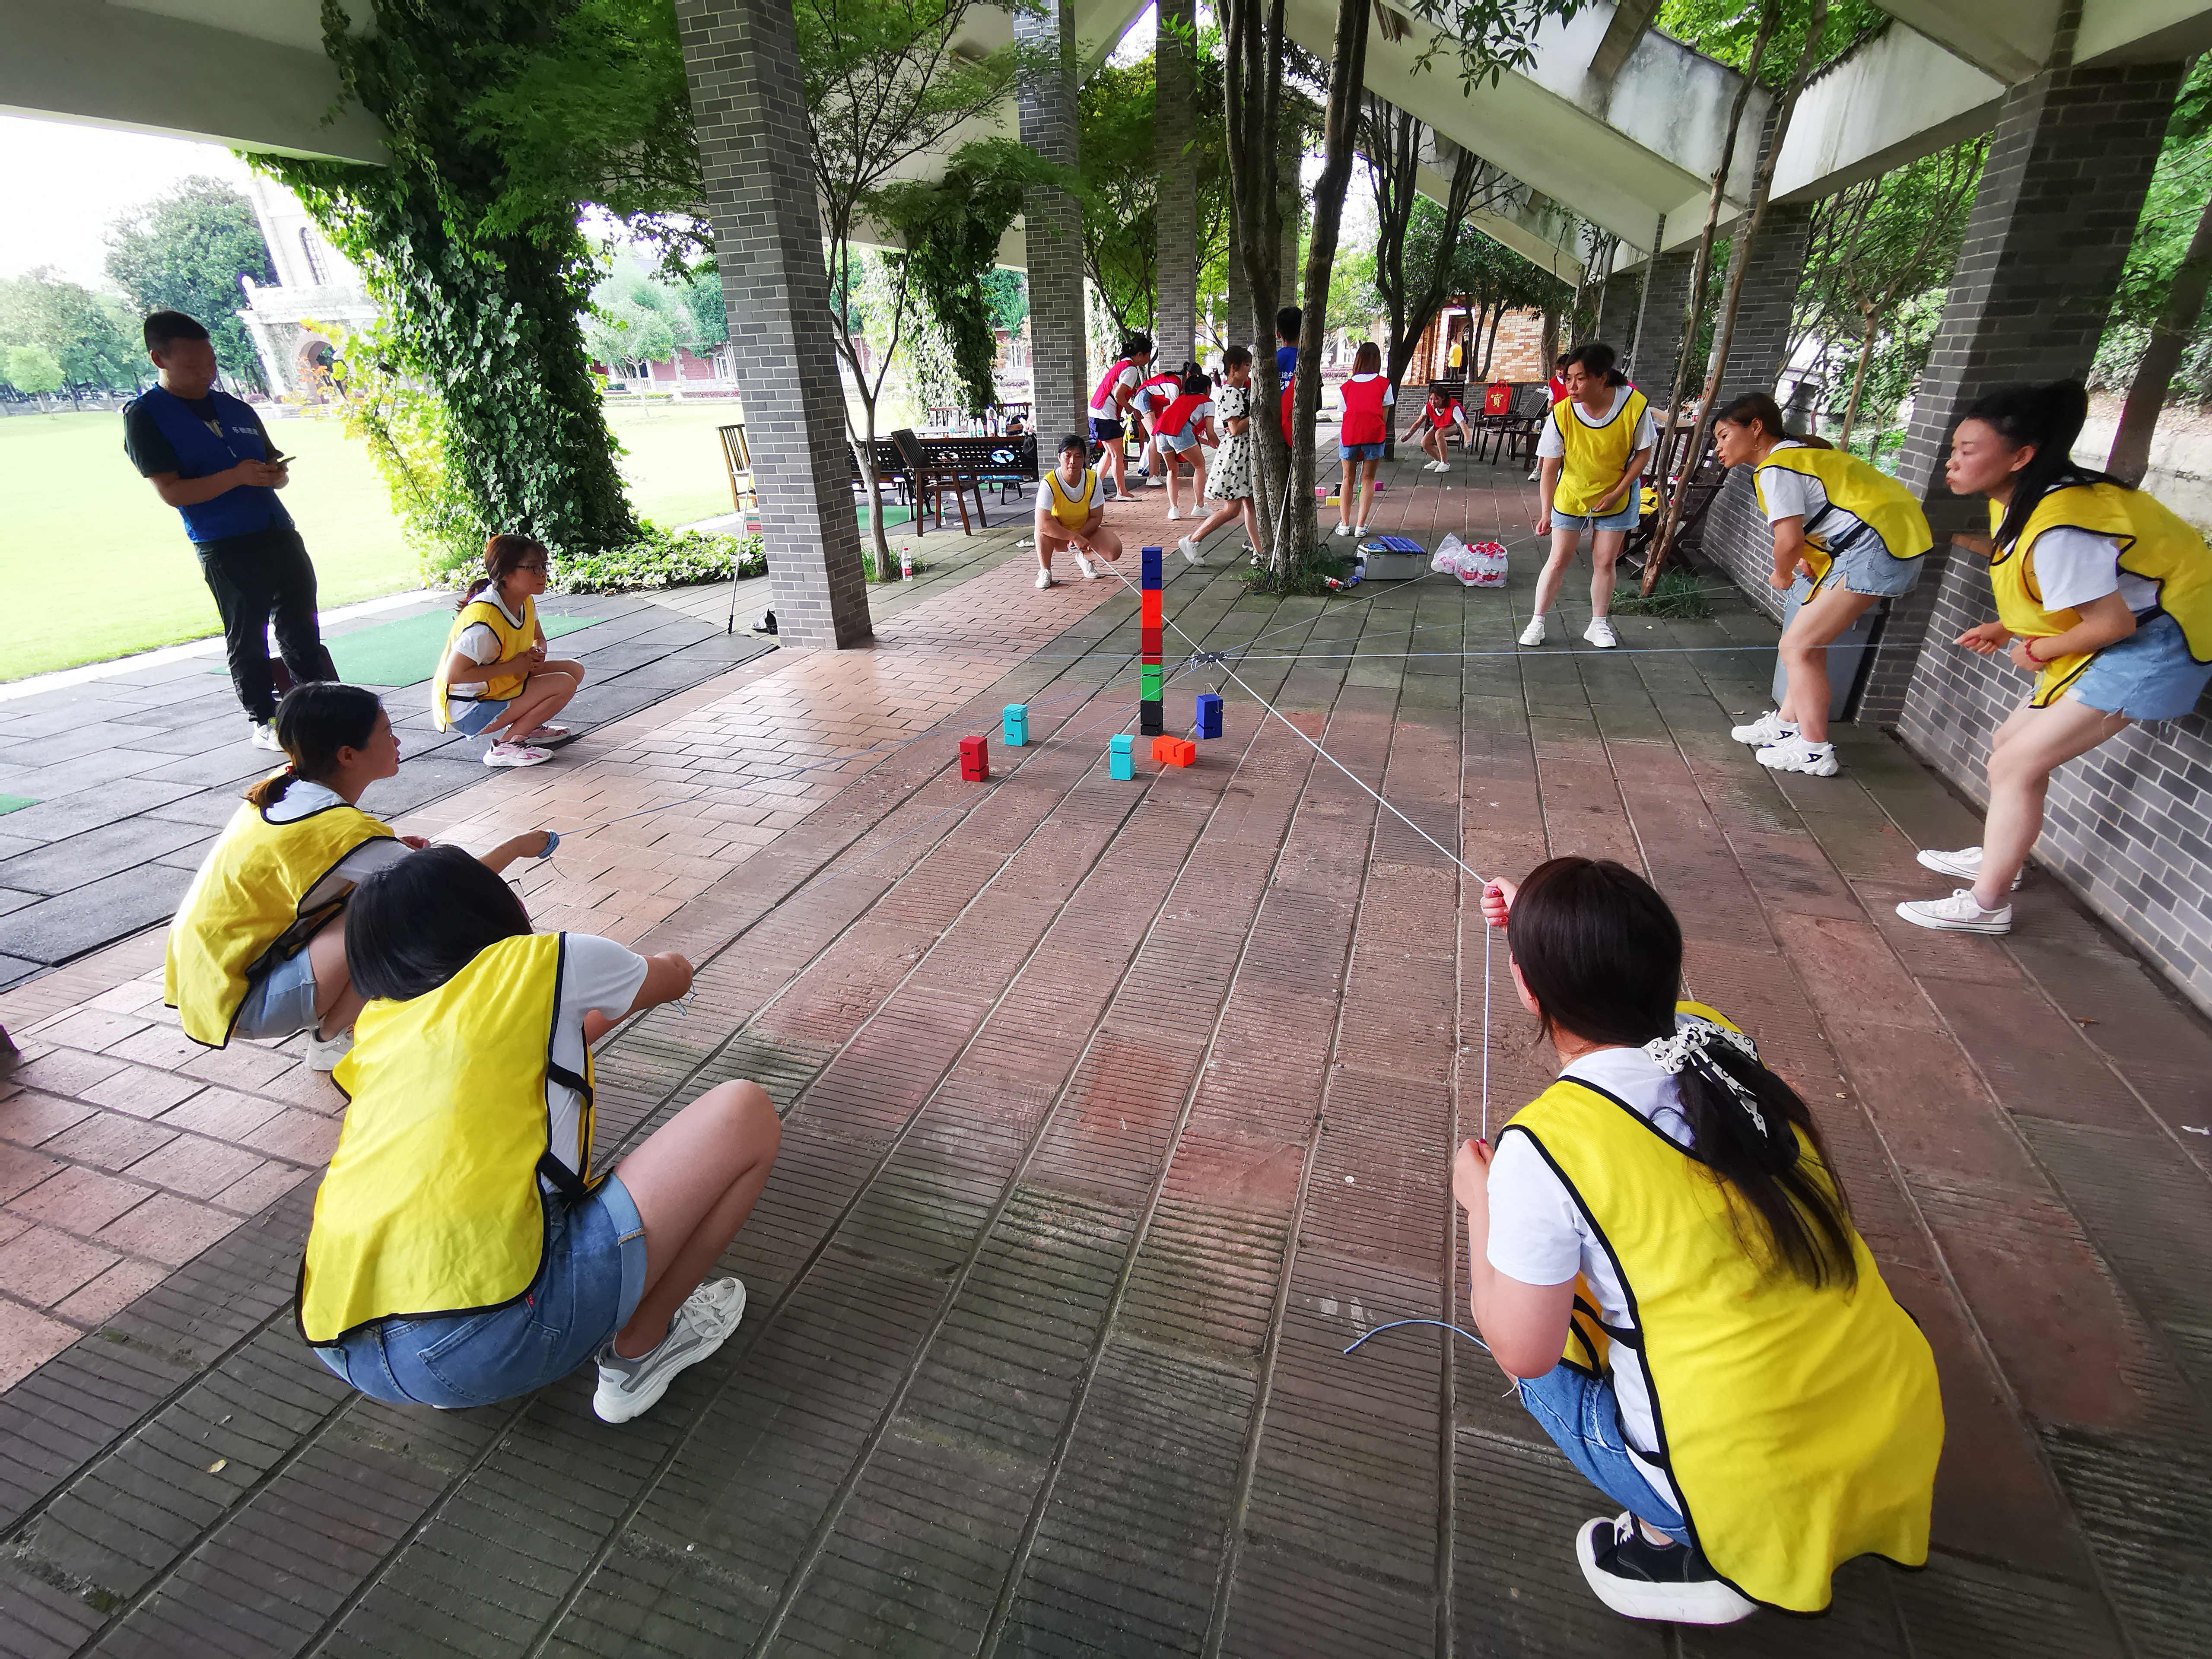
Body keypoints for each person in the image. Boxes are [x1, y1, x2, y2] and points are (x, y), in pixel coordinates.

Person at [1459, 857, 1942, 1624]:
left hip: (1736, 1481)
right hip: (1895, 1415)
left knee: (1536, 1349)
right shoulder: (1716, 1037)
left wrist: (1478, 1205)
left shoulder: (1547, 1145)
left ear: (1527, 988)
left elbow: (1524, 1351)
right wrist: (1547, 922)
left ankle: (1670, 1540)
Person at [297, 846, 782, 1421]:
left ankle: (454, 1374)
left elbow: (530, 1052)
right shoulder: (542, 961)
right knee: (744, 1113)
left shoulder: (381, 1025)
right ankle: (642, 1352)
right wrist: (670, 967)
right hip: (485, 1344)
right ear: (486, 906)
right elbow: (671, 976)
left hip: (348, 1347)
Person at [1898, 380, 2212, 935]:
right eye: (1953, 449)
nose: (1951, 461)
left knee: (2016, 764)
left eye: (1967, 450)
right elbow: (2067, 591)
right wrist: (2005, 627)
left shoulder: (2061, 523)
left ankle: (1987, 904)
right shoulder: (2022, 500)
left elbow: (2110, 623)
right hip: (2128, 632)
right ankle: (2002, 858)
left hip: (2159, 643)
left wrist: (2039, 648)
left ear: (2020, 456)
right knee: (2009, 745)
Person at [163, 683, 552, 1070]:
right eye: (386, 731)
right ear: (348, 755)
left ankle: (334, 1015)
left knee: (387, 892)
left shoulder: (286, 788)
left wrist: (393, 854)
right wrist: (517, 846)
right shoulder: (340, 830)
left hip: (210, 982)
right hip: (246, 998)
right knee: (402, 913)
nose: (397, 741)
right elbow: (454, 884)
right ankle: (333, 1038)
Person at [124, 311, 336, 749]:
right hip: (224, 541)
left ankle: (318, 706)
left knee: (301, 624)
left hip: (276, 528)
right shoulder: (146, 415)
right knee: (248, 633)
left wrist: (276, 476)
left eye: (211, 362)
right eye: (192, 365)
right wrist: (236, 477)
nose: (206, 373)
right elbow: (171, 492)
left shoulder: (236, 408)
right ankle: (264, 719)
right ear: (159, 359)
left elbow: (272, 466)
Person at [1711, 394, 1932, 778]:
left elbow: (1789, 540)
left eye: (1724, 436)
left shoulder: (1776, 467)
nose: (1718, 447)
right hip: (1875, 541)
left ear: (1756, 428)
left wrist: (1782, 573)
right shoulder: (1797, 455)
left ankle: (1814, 750)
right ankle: (1787, 724)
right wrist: (1807, 559)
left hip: (1874, 546)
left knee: (1798, 646)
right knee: (1806, 644)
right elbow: (1824, 517)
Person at [1527, 342, 1656, 650]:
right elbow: (1549, 468)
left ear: (1602, 377)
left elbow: (1643, 453)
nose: (1571, 386)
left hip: (1617, 495)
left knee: (1605, 561)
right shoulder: (1561, 413)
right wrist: (1546, 512)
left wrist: (1618, 491)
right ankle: (1537, 622)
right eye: (1567, 378)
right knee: (1559, 559)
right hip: (1572, 493)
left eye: (1580, 379)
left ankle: (1598, 625)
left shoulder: (1634, 405)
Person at [434, 534, 587, 769]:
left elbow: (538, 638)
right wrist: (515, 666)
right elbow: (454, 675)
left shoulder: (524, 600)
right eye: (533, 568)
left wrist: (538, 651)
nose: (542, 574)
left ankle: (528, 728)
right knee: (563, 683)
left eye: (543, 566)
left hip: (499, 686)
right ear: (506, 573)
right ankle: (505, 746)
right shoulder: (484, 623)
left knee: (574, 670)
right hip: (468, 709)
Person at [1179, 347, 1261, 566]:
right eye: (1247, 366)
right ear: (1235, 368)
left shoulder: (1236, 391)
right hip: (1236, 456)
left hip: (1241, 455)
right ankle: (1192, 540)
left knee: (1248, 505)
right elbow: (1235, 428)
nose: (1249, 371)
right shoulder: (1230, 392)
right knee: (1233, 509)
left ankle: (1259, 550)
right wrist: (1257, 413)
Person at [1034, 434, 1125, 588]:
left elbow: (1096, 517)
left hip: (1085, 530)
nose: (1072, 461)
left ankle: (1085, 558)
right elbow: (1043, 523)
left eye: (1078, 456)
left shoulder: (1093, 480)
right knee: (1041, 528)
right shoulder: (1048, 483)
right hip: (1059, 534)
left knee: (1114, 551)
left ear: (1084, 459)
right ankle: (1045, 571)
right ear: (1059, 457)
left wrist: (1079, 537)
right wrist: (1073, 537)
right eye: (1068, 456)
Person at [1333, 342, 1395, 539]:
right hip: (1374, 435)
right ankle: (1361, 526)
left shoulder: (1347, 386)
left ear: (1358, 359)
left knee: (1347, 479)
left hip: (1350, 434)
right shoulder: (1384, 384)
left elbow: (1344, 414)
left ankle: (1344, 525)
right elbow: (1384, 416)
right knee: (1368, 479)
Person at [1087, 332, 1154, 501]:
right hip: (1105, 414)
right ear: (1140, 354)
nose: (1148, 360)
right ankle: (1122, 492)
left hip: (1097, 412)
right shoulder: (1131, 370)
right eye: (1148, 356)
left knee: (1110, 454)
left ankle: (1093, 490)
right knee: (1117, 455)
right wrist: (1133, 410)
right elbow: (1119, 395)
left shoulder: (1122, 364)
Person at [1153, 370, 1217, 523]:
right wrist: (1222, 446)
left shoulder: (1181, 399)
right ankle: (1199, 506)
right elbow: (1210, 432)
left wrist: (1208, 443)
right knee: (1200, 466)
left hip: (1161, 432)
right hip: (1179, 432)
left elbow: (1184, 430)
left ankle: (1173, 509)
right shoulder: (1208, 402)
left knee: (1172, 470)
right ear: (1207, 389)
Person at [1129, 362, 1182, 487]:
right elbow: (1175, 411)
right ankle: (1152, 477)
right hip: (1144, 400)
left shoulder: (1176, 384)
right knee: (1155, 438)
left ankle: (1156, 474)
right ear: (1188, 375)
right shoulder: (1174, 384)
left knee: (1158, 437)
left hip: (1152, 404)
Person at [1409, 385, 1474, 474]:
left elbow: (1463, 425)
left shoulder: (1453, 407)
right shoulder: (1429, 406)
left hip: (1455, 424)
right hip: (1440, 424)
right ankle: (1437, 460)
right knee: (1425, 443)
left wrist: (1468, 440)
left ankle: (1445, 464)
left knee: (1439, 434)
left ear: (1443, 398)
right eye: (1431, 399)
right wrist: (1408, 435)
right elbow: (1419, 422)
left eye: (1436, 399)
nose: (1433, 402)